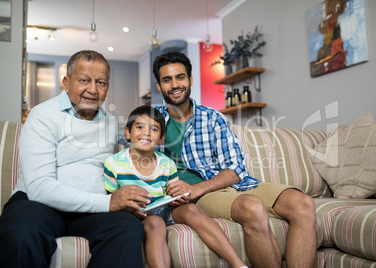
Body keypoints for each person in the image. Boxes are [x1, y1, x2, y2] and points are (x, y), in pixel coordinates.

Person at [152, 51, 317, 268]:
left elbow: (235, 169)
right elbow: (132, 158)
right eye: (167, 79)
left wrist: (198, 188)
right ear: (159, 86)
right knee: (252, 207)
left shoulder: (213, 118)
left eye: (180, 77)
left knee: (303, 203)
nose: (175, 84)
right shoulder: (151, 119)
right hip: (200, 198)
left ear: (190, 80)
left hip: (226, 186)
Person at [0, 50, 150, 267]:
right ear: (67, 82)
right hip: (38, 204)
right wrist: (109, 202)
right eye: (84, 80)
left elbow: (127, 156)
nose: (92, 90)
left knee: (127, 227)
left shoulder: (109, 122)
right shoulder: (43, 115)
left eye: (101, 83)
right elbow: (39, 188)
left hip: (91, 210)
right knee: (20, 229)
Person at [104, 105, 248, 268]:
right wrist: (127, 208)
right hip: (137, 214)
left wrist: (179, 197)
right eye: (140, 127)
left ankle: (238, 265)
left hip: (163, 207)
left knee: (191, 210)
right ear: (128, 133)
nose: (146, 132)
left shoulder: (167, 163)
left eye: (154, 129)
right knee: (156, 223)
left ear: (162, 138)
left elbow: (173, 192)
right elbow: (111, 200)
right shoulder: (114, 163)